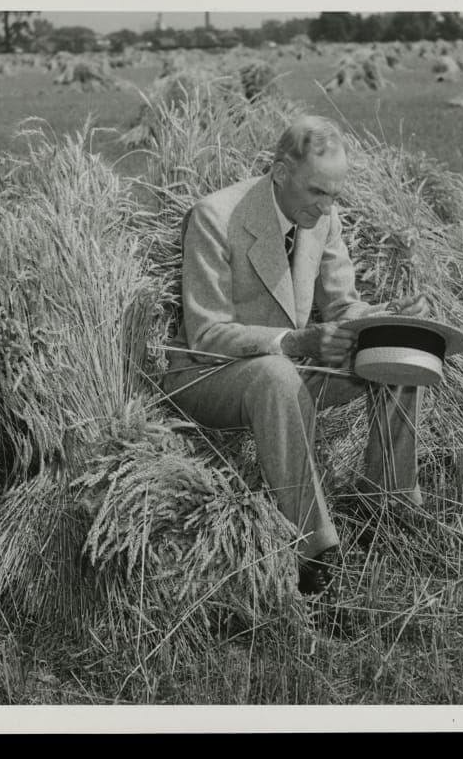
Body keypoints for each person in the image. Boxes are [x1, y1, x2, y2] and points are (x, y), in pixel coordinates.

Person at [162, 115, 432, 596]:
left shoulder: (323, 218)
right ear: (281, 172)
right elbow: (205, 335)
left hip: (286, 370)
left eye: (333, 195)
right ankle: (314, 550)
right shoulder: (214, 217)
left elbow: (344, 304)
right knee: (275, 374)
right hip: (210, 378)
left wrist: (389, 314)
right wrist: (297, 343)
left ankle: (385, 503)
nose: (326, 207)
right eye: (316, 193)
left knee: (395, 347)